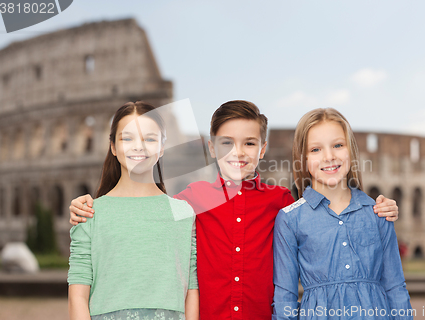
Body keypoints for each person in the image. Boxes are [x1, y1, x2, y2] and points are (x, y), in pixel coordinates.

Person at [68, 101, 400, 320]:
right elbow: (143, 215)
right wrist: (88, 207)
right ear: (211, 147)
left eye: (249, 143)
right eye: (226, 142)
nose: (237, 152)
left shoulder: (282, 202)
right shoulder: (190, 199)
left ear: (263, 148)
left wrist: (378, 208)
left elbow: (326, 215)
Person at [272, 108, 412, 319]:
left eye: (338, 145)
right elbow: (285, 298)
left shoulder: (378, 212)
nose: (329, 157)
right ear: (303, 158)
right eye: (316, 149)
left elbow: (395, 287)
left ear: (351, 151)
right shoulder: (290, 219)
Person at [67, 101, 199, 320]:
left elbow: (191, 289)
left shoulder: (183, 213)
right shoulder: (90, 212)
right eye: (127, 138)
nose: (139, 146)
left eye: (149, 138)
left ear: (162, 146)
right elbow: (78, 296)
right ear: (112, 146)